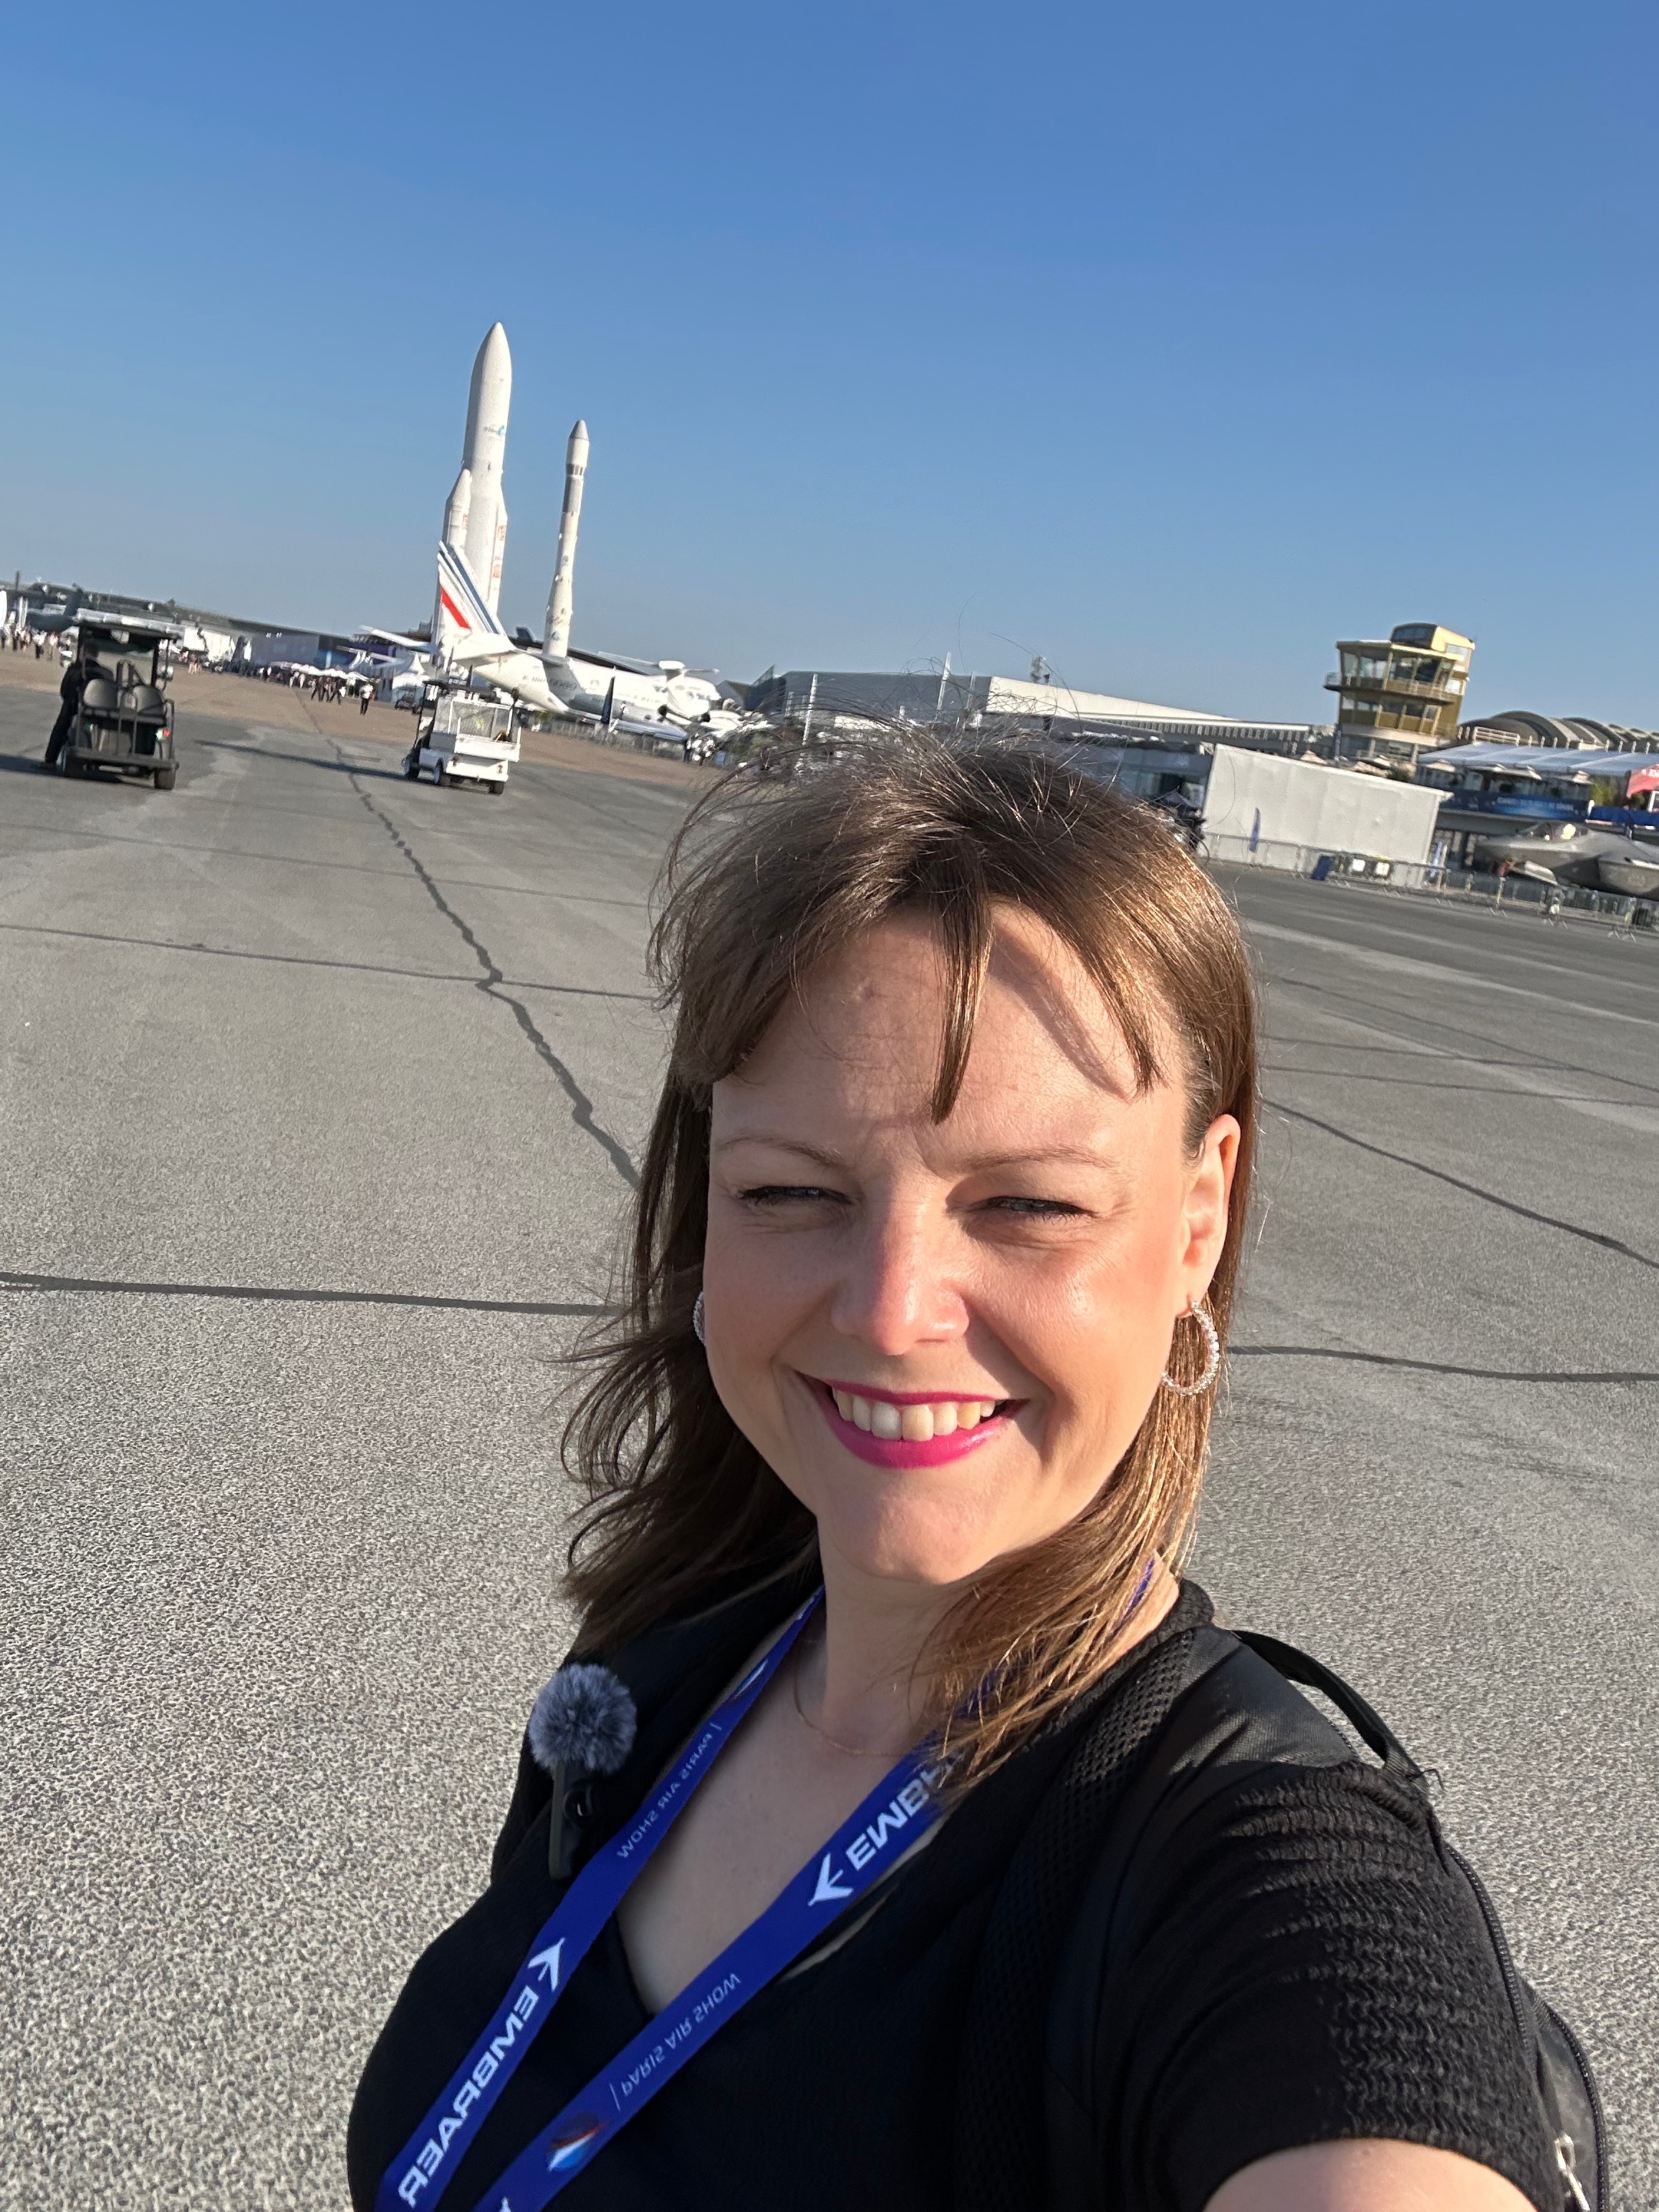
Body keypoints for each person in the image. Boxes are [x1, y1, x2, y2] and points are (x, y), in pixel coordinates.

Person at [348, 739, 1557, 2212]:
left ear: (1196, 1224)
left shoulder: (1253, 1875)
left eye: (1029, 1204)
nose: (889, 1307)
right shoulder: (659, 1673)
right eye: (793, 1190)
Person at [42, 642, 99, 769]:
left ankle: (51, 759)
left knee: (61, 727)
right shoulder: (104, 672)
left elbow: (64, 690)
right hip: (97, 710)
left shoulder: (76, 669)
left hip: (75, 706)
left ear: (84, 653)